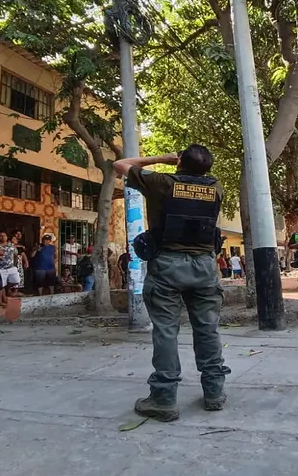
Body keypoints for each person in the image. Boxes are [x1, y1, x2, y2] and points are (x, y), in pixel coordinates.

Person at [113, 145, 230, 422]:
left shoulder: (162, 182)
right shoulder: (217, 187)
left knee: (166, 331)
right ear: (208, 168)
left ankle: (164, 399)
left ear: (179, 163)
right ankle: (214, 392)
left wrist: (163, 159)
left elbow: (120, 163)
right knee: (208, 329)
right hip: (204, 265)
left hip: (167, 264)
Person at [0, 231, 19, 300]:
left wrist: (15, 265)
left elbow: (15, 255)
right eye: (1, 236)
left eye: (4, 235)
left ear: (7, 236)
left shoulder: (11, 245)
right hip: (1, 268)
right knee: (1, 284)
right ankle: (4, 298)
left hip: (11, 267)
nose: (3, 237)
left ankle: (8, 290)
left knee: (16, 281)